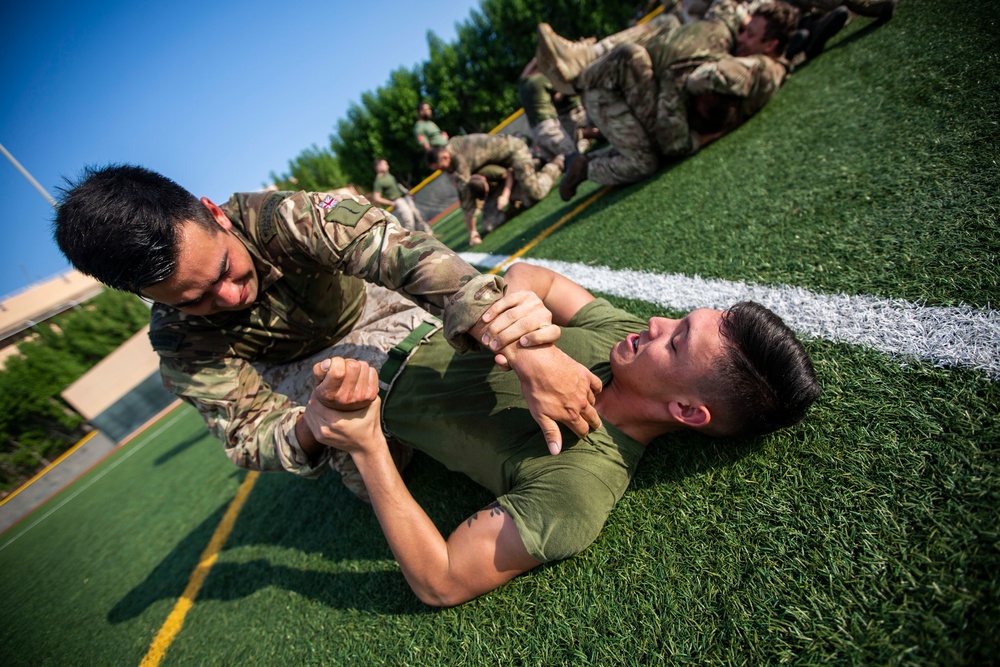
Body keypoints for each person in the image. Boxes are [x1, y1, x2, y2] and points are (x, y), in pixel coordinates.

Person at [53, 165, 602, 496]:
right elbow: (246, 434)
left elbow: (408, 257)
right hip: (303, 373)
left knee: (472, 340)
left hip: (378, 307)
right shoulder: (177, 341)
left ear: (214, 214)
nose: (228, 296)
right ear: (147, 297)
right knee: (370, 476)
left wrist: (524, 349)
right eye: (194, 299)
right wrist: (313, 424)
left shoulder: (284, 216)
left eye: (223, 269)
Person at [307, 262, 821, 606]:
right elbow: (535, 277)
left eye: (677, 341)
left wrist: (368, 444)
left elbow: (440, 580)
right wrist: (525, 341)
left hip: (362, 384)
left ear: (686, 410)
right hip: (407, 312)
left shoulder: (579, 487)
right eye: (680, 319)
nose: (657, 321)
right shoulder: (623, 339)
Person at [558, 0, 800, 199]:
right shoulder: (759, 59)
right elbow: (726, 8)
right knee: (645, 160)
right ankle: (582, 71)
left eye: (751, 34)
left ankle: (587, 165)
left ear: (771, 44)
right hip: (614, 93)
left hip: (614, 96)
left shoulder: (759, 68)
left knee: (645, 156)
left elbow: (700, 79)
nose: (743, 37)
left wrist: (706, 59)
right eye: (746, 30)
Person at [426, 134, 563, 247]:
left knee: (535, 193)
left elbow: (466, 199)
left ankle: (555, 164)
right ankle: (518, 199)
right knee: (489, 224)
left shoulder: (460, 158)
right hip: (501, 174)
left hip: (514, 153)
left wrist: (473, 232)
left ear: (445, 157)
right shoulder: (454, 153)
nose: (443, 171)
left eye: (441, 168)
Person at [518, 60, 594, 162]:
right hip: (549, 126)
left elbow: (532, 64)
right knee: (573, 156)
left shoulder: (523, 84)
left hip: (536, 131)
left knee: (558, 162)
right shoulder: (542, 79)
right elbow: (559, 95)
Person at [370, 158, 433, 234]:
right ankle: (409, 241)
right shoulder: (379, 181)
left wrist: (407, 192)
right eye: (385, 164)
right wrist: (390, 203)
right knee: (409, 221)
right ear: (378, 167)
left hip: (405, 198)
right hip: (398, 201)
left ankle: (429, 234)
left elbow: (397, 186)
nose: (388, 166)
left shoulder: (389, 175)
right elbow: (376, 198)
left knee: (418, 216)